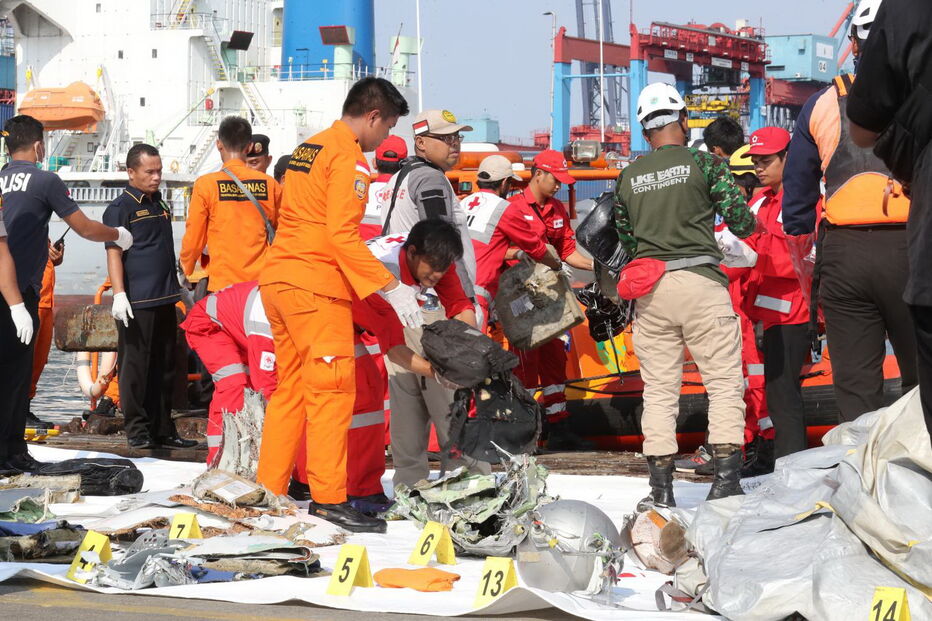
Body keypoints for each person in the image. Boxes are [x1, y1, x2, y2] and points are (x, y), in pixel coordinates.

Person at [256, 76, 415, 533]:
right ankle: (328, 498)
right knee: (331, 393)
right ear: (373, 116)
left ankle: (271, 488)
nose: (385, 139)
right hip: (315, 288)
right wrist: (390, 286)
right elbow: (342, 236)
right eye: (386, 128)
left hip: (279, 281)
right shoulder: (349, 160)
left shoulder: (310, 148)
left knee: (291, 391)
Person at [613, 82, 756, 507]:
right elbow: (741, 221)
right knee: (724, 383)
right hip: (701, 285)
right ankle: (726, 482)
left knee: (658, 390)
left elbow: (628, 242)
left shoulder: (627, 177)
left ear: (644, 132)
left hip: (652, 293)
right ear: (683, 120)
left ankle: (661, 489)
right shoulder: (705, 164)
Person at [783, 0, 916, 426]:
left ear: (855, 45)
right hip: (913, 247)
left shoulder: (820, 104)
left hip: (844, 255)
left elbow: (797, 200)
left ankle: (861, 479)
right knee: (923, 379)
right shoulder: (921, 95)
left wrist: (809, 275)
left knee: (856, 387)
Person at [0, 114, 132, 472]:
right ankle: (10, 454)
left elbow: (12, 229)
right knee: (15, 376)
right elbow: (86, 228)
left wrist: (44, 249)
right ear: (40, 146)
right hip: (19, 291)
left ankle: (10, 451)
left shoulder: (1, 181)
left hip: (5, 285)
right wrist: (118, 235)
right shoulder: (45, 179)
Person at [847, 0, 932, 442]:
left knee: (859, 381)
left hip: (898, 248)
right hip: (897, 246)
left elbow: (862, 128)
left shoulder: (825, 105)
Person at [365, 220, 485, 489]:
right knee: (406, 408)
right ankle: (409, 485)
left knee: (449, 406)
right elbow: (393, 347)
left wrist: (468, 348)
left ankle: (470, 481)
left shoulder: (436, 256)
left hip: (401, 317)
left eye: (443, 269)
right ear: (412, 252)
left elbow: (460, 305)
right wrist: (438, 373)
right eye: (432, 268)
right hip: (357, 318)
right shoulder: (380, 270)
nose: (437, 275)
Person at [491, 150, 595, 450]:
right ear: (538, 174)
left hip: (550, 298)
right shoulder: (511, 208)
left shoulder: (557, 210)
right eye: (556, 179)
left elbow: (566, 252)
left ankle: (559, 426)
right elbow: (497, 251)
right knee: (526, 364)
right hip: (520, 297)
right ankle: (523, 433)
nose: (559, 185)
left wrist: (596, 267)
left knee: (555, 361)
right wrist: (523, 255)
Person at [103, 144, 194, 450]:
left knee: (165, 367)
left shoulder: (160, 204)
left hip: (166, 297)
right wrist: (119, 295)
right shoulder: (120, 208)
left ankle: (163, 429)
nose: (156, 178)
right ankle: (138, 429)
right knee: (136, 368)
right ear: (131, 172)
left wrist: (180, 288)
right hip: (137, 301)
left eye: (159, 171)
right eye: (149, 172)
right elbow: (114, 253)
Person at [739, 127, 812, 462]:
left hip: (791, 314)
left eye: (766, 160)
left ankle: (791, 470)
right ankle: (779, 464)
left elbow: (799, 259)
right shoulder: (760, 202)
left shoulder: (802, 199)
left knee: (784, 397)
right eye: (756, 161)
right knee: (775, 394)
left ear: (788, 157)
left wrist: (755, 252)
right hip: (764, 314)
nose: (759, 167)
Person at [379, 109, 476, 297]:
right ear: (421, 143)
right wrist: (465, 298)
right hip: (433, 296)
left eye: (457, 137)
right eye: (446, 138)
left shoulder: (399, 176)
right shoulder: (430, 178)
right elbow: (442, 245)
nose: (455, 144)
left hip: (407, 289)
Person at [180, 116, 281, 293]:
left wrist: (185, 269)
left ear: (219, 144)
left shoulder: (206, 185)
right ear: (249, 147)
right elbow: (281, 232)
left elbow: (194, 237)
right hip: (260, 285)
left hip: (222, 285)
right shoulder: (270, 185)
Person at [459, 154, 521, 312]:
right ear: (505, 182)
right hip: (476, 296)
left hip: (453, 290)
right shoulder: (504, 208)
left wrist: (516, 255)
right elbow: (535, 247)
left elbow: (486, 248)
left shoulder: (462, 204)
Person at [26, 239, 64, 429]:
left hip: (45, 300)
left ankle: (24, 409)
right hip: (28, 298)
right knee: (22, 361)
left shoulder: (39, 224)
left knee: (37, 361)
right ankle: (15, 412)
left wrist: (53, 257)